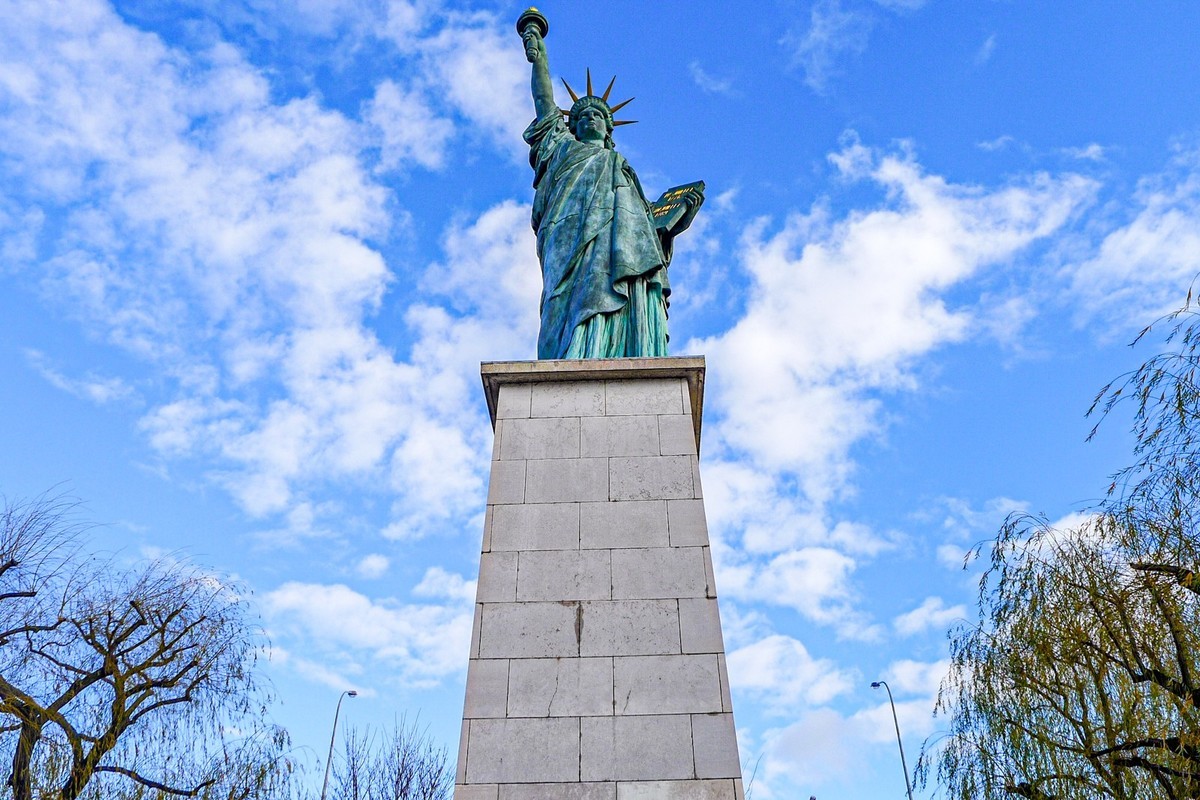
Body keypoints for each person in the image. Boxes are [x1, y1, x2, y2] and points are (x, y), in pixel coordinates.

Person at [521, 20, 702, 359]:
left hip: (620, 249)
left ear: (608, 129)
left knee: (624, 284)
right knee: (564, 301)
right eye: (582, 116)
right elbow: (544, 100)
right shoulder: (560, 147)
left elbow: (646, 229)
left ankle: (618, 350)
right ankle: (571, 353)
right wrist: (538, 56)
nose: (590, 118)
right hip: (569, 234)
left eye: (597, 115)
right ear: (571, 126)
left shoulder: (621, 167)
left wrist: (675, 220)